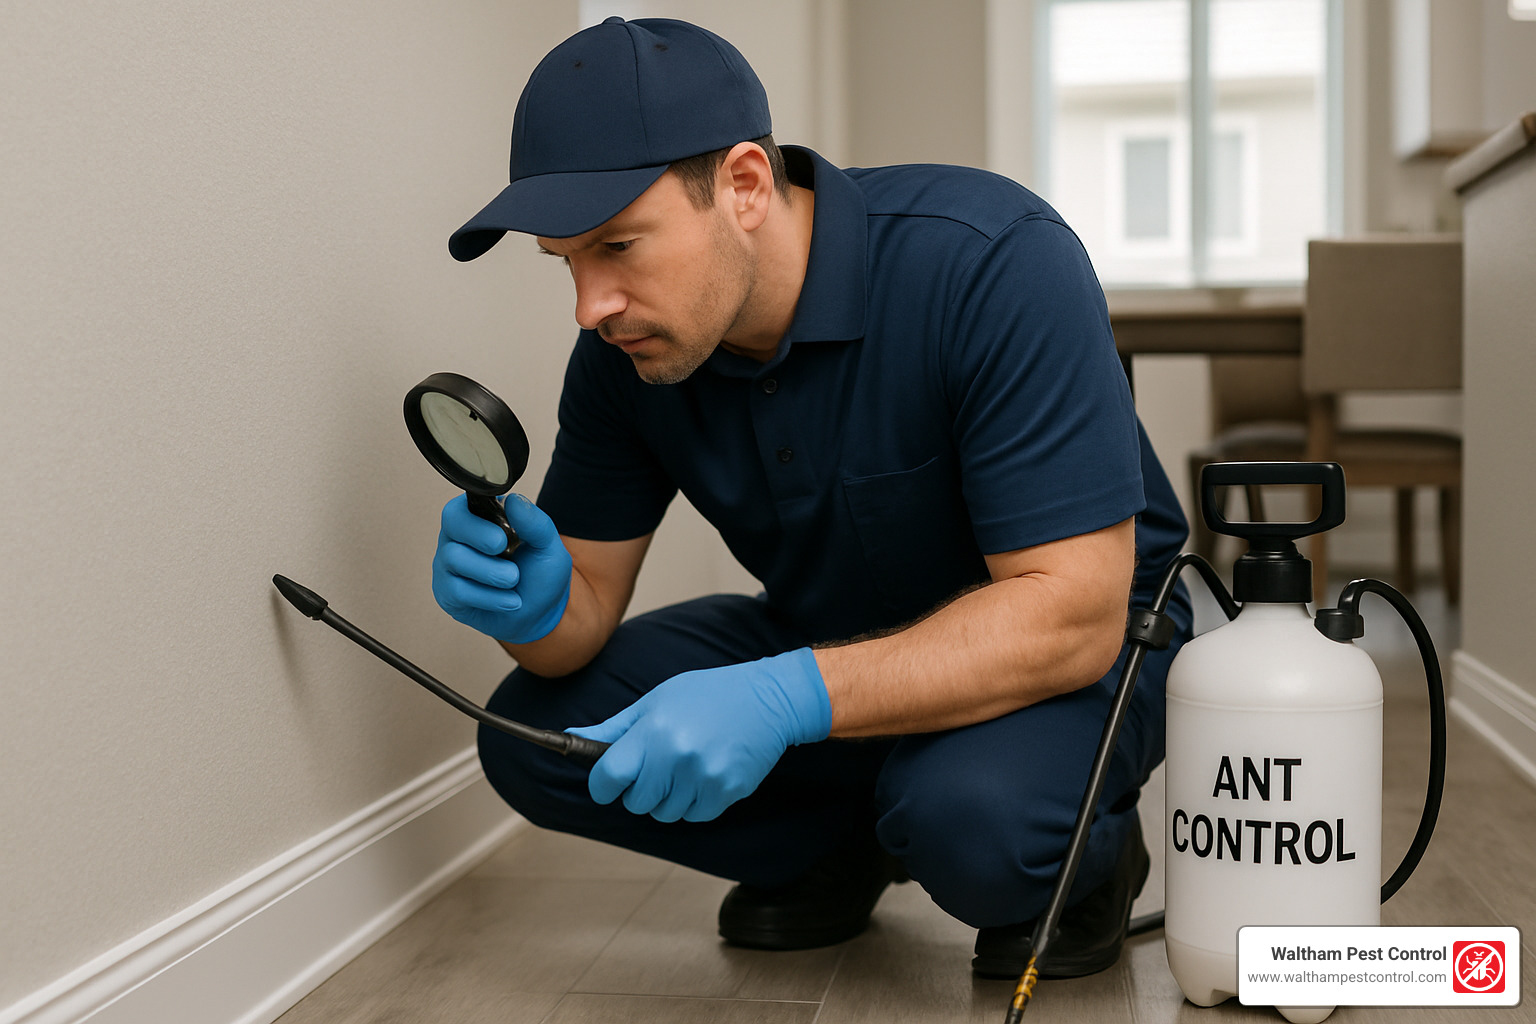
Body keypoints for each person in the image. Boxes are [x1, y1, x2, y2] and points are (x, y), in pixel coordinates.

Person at [435, 16, 1193, 978]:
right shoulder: (627, 351)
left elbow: (1075, 615)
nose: (591, 305)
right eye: (567, 263)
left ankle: (1084, 863)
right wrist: (532, 604)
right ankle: (843, 844)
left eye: (618, 246)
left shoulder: (991, 259)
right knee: (536, 737)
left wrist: (782, 695)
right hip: (832, 632)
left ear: (745, 185)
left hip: (1077, 647)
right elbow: (578, 616)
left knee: (975, 826)